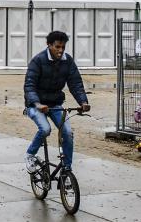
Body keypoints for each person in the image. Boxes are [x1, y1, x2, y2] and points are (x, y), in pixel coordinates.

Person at [24, 31, 91, 173]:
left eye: (63, 47)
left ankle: (67, 169)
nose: (60, 51)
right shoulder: (38, 60)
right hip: (35, 106)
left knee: (67, 133)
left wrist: (83, 101)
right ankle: (30, 154)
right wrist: (37, 104)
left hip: (55, 105)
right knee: (45, 129)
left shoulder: (68, 61)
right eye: (57, 47)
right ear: (49, 45)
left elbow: (76, 83)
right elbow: (29, 86)